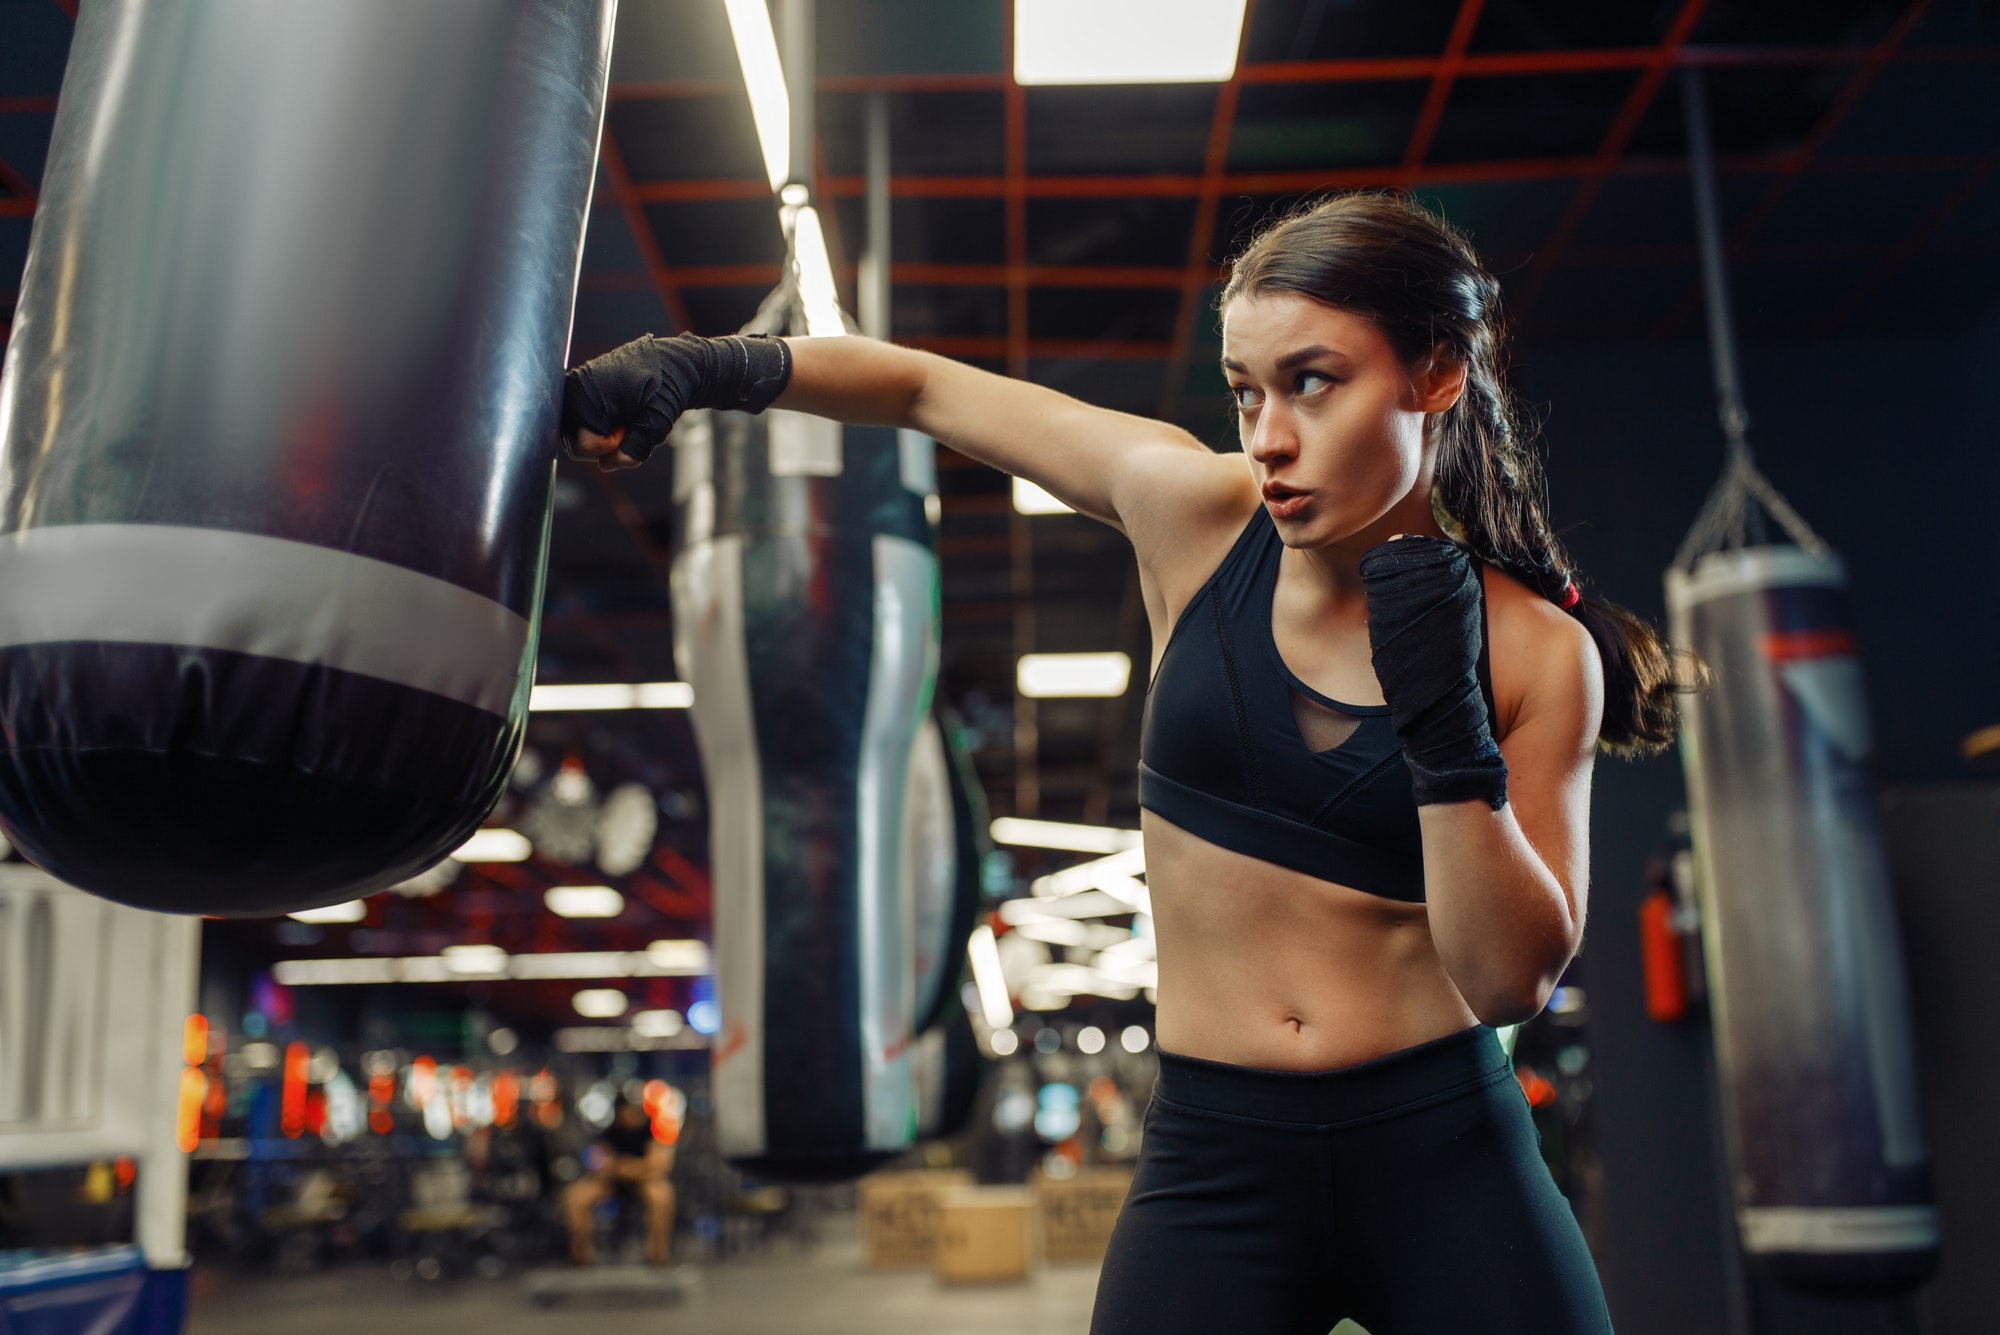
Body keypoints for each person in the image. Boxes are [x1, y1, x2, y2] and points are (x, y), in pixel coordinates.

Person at [559, 192, 1676, 1332]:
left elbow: (1506, 981)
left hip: (1442, 1144)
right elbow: (924, 389)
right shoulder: (1190, 513)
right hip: (1216, 1156)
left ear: (1434, 375)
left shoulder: (1536, 651)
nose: (1267, 436)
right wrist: (700, 366)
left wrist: (1444, 731)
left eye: (1313, 382)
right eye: (1244, 390)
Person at [561, 1095, 674, 1267]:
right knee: (575, 1196)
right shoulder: (610, 1133)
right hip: (611, 1183)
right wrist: (620, 1168)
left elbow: (658, 1164)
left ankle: (658, 1255)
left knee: (662, 1196)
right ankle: (580, 1255)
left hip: (643, 1182)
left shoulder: (647, 1133)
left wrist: (630, 1169)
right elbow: (600, 1164)